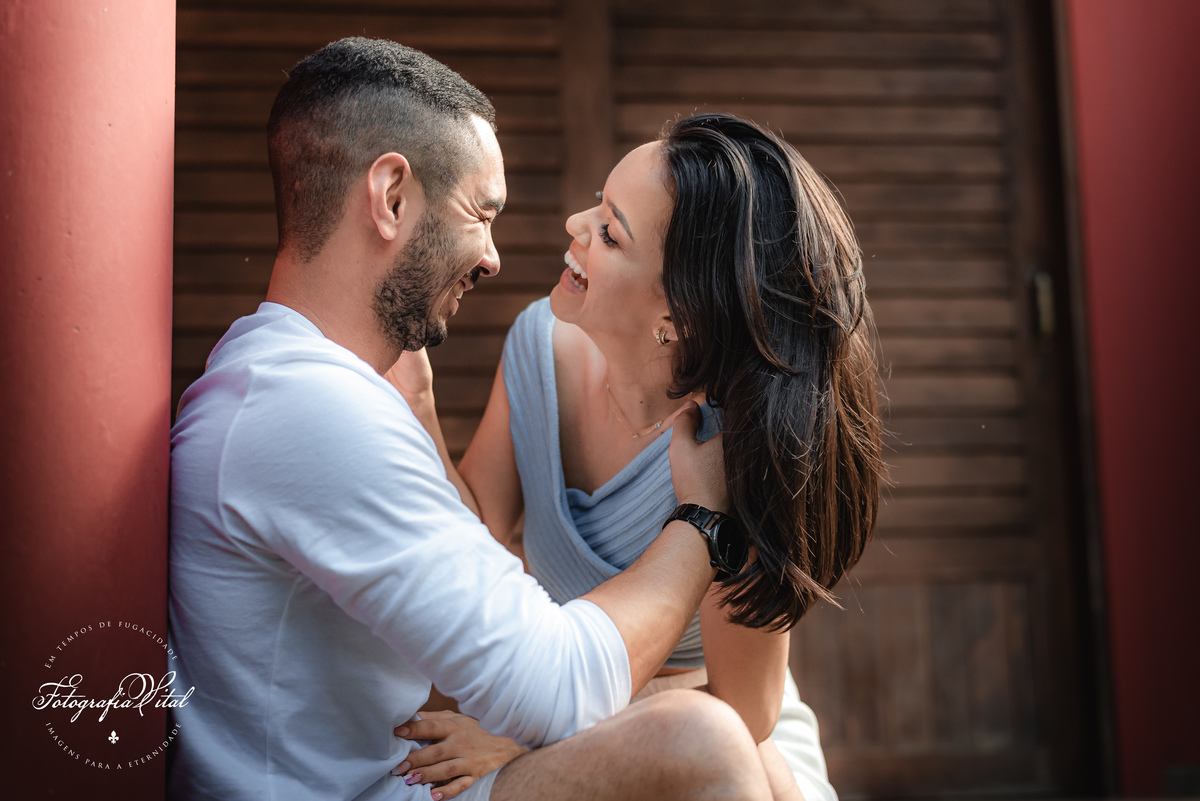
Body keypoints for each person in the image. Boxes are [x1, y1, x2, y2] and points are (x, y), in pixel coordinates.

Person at [167, 38, 774, 801]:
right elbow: (556, 682)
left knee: (754, 756)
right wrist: (701, 517)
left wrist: (419, 414)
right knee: (700, 743)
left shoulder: (297, 383)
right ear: (392, 197)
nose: (492, 257)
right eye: (480, 215)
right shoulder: (314, 411)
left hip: (383, 781)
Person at [387, 113, 885, 801]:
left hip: (718, 748)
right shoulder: (538, 344)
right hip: (584, 713)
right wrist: (418, 406)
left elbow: (741, 711)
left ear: (675, 317)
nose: (574, 224)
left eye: (610, 231)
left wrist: (532, 728)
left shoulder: (731, 444)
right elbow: (477, 538)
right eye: (597, 200)